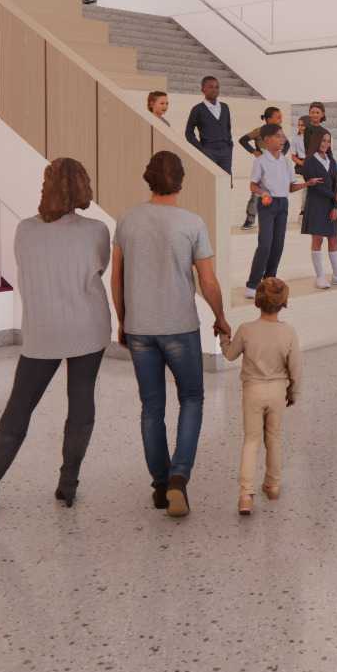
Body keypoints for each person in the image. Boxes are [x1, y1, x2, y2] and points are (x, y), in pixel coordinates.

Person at [0, 158, 109, 517]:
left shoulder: (25, 230)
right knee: (80, 405)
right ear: (82, 186)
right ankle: (68, 485)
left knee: (18, 410)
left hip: (41, 331)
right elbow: (99, 268)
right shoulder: (97, 230)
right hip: (88, 328)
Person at [112, 150, 232, 518]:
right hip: (180, 326)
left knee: (152, 407)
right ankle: (180, 476)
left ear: (149, 179)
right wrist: (220, 316)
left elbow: (116, 277)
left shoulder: (127, 221)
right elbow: (207, 280)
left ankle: (160, 486)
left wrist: (123, 320)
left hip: (140, 329)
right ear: (180, 181)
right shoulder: (191, 223)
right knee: (192, 399)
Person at [222, 277, 300, 516]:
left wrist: (224, 337)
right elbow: (296, 367)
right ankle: (273, 485)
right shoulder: (288, 332)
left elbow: (230, 355)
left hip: (252, 390)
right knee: (274, 438)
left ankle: (246, 495)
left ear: (257, 301)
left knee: (251, 440)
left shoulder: (246, 329)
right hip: (277, 391)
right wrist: (293, 391)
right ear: (283, 302)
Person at [248, 126, 315, 291]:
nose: (282, 139)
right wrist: (263, 193)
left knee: (278, 245)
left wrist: (306, 184)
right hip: (267, 204)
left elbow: (290, 187)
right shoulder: (260, 161)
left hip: (282, 204)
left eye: (283, 136)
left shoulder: (286, 162)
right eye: (278, 136)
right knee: (265, 244)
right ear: (267, 140)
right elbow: (253, 185)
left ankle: (269, 280)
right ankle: (252, 284)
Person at [299, 126, 337, 289]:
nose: (326, 143)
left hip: (330, 205)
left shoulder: (331, 161)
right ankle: (320, 277)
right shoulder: (309, 161)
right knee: (317, 239)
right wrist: (333, 196)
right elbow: (314, 186)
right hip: (316, 204)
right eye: (323, 140)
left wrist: (336, 206)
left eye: (328, 141)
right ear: (317, 141)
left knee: (334, 238)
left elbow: (335, 184)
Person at [236, 105, 280, 230]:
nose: (280, 120)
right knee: (256, 193)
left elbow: (286, 144)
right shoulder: (259, 131)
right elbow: (243, 140)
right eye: (278, 117)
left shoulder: (279, 132)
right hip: (262, 167)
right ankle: (250, 219)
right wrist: (255, 152)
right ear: (269, 119)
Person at [184, 76, 234, 175]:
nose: (214, 90)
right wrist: (201, 149)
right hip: (208, 150)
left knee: (227, 181)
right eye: (210, 87)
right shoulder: (197, 109)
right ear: (203, 89)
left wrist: (229, 146)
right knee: (211, 180)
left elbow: (228, 128)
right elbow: (188, 133)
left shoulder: (225, 107)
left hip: (225, 151)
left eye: (217, 87)